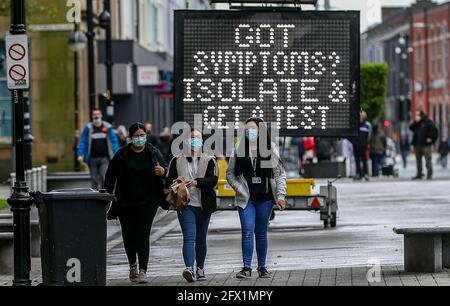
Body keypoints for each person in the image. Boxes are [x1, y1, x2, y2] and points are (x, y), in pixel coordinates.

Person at [104, 122, 168, 284]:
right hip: (125, 202)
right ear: (130, 138)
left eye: (142, 135)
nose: (140, 138)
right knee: (129, 235)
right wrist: (107, 195)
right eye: (137, 136)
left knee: (143, 235)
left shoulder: (153, 152)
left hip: (148, 202)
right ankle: (132, 264)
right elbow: (110, 176)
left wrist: (163, 172)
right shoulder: (122, 155)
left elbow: (166, 169)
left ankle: (143, 270)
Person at [226, 117, 287, 279]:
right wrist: (238, 188)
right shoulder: (238, 148)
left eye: (252, 129)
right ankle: (246, 267)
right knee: (247, 230)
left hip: (265, 198)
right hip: (246, 199)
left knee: (261, 233)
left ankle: (262, 267)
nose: (249, 132)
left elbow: (279, 174)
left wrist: (280, 195)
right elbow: (230, 173)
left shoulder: (270, 148)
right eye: (247, 129)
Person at [166, 128, 218, 283]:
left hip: (203, 204)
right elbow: (168, 180)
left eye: (198, 138)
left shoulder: (209, 159)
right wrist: (177, 181)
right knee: (189, 236)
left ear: (202, 141)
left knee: (201, 239)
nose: (195, 141)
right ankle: (189, 268)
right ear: (186, 141)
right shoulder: (176, 160)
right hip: (185, 204)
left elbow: (213, 180)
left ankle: (200, 268)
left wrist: (196, 182)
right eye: (192, 138)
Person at [77, 108, 119, 189]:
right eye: (94, 114)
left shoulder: (107, 127)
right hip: (92, 158)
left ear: (101, 115)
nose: (96, 116)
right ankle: (94, 196)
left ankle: (104, 194)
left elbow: (114, 141)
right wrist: (80, 154)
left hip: (105, 158)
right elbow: (83, 141)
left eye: (98, 114)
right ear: (92, 116)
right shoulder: (88, 128)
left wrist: (116, 153)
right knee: (94, 179)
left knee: (104, 177)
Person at [410, 110, 438, 180]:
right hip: (417, 145)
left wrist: (431, 138)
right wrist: (415, 122)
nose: (416, 116)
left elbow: (435, 130)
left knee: (428, 160)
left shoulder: (427, 122)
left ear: (421, 115)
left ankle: (429, 174)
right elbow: (410, 128)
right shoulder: (416, 123)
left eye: (418, 115)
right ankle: (419, 174)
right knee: (418, 160)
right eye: (415, 115)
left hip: (426, 145)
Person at [352, 111, 371, 181]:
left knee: (364, 160)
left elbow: (369, 135)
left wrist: (366, 143)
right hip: (356, 145)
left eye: (361, 116)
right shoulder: (355, 125)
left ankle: (366, 174)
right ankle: (358, 174)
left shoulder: (367, 125)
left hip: (363, 145)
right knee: (356, 160)